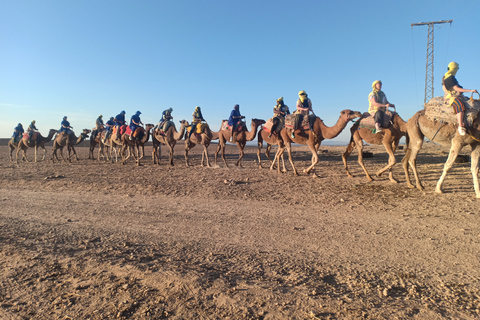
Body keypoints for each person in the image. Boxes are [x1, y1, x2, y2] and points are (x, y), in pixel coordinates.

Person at [442, 61, 479, 136]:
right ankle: (460, 126)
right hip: (451, 98)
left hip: (457, 96)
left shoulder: (450, 77)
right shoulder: (449, 78)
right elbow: (456, 89)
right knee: (459, 104)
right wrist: (470, 90)